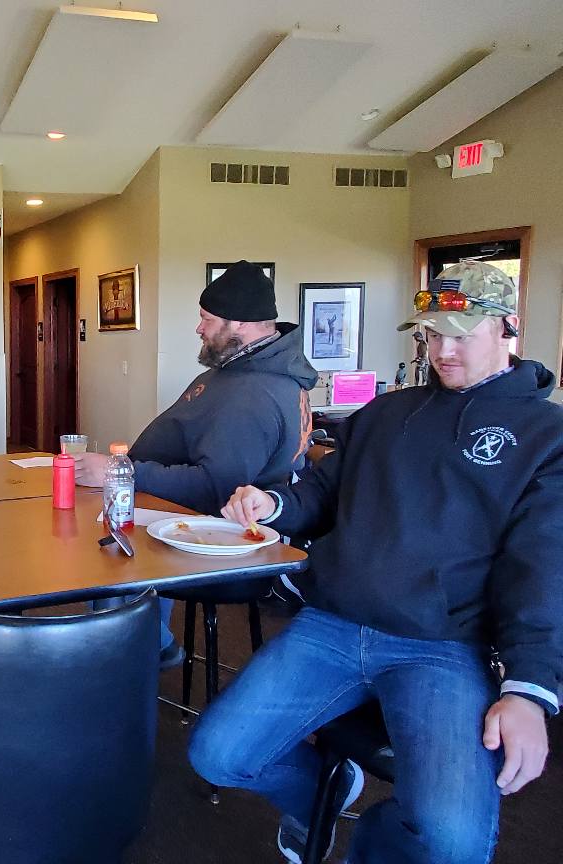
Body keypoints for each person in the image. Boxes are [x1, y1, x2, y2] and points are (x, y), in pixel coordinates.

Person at [190, 260, 560, 864]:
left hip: (442, 646)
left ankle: (373, 847)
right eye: (431, 335)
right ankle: (322, 795)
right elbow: (321, 491)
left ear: (507, 327)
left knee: (451, 841)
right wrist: (273, 503)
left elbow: (543, 573)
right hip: (333, 625)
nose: (442, 352)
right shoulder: (387, 413)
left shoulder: (546, 436)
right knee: (218, 755)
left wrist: (530, 691)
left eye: (460, 336)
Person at [77, 261, 317, 665]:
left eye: (207, 318)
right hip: (180, 512)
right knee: (109, 526)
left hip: (220, 535)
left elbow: (214, 488)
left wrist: (123, 472)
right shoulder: (240, 370)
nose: (198, 328)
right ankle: (141, 643)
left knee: (109, 545)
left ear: (239, 323)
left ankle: (135, 653)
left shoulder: (254, 394)